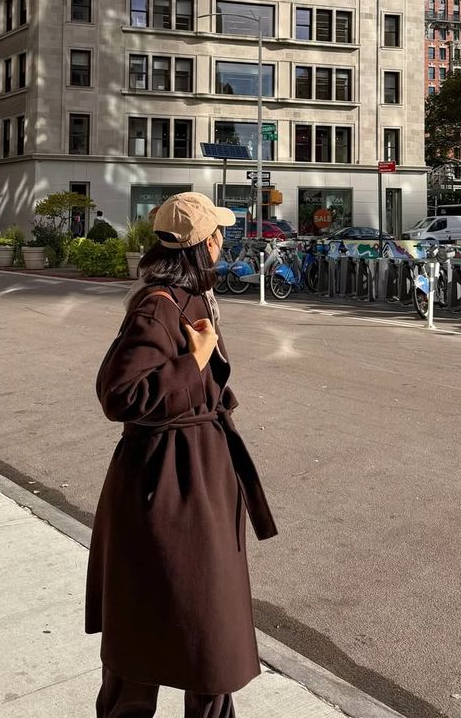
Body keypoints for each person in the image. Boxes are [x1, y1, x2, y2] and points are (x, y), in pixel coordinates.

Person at [86, 192, 277, 718]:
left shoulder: (193, 295)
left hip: (197, 475)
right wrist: (192, 363)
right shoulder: (158, 305)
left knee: (208, 628)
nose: (224, 240)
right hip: (164, 483)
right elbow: (120, 395)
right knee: (147, 625)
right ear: (204, 243)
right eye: (219, 233)